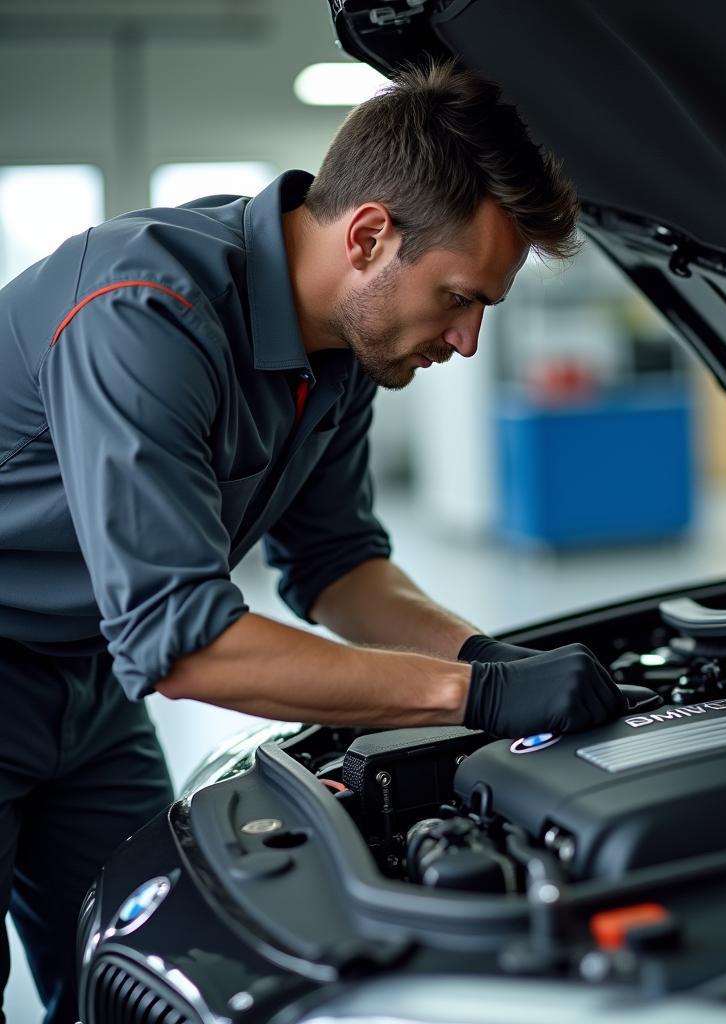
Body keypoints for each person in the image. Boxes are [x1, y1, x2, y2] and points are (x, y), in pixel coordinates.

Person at [0, 61, 626, 1022]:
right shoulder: (143, 313)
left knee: (130, 971)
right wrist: (473, 695)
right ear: (370, 234)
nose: (465, 342)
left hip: (87, 695)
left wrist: (486, 654)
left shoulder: (343, 353)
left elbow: (338, 567)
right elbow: (188, 644)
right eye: (460, 297)